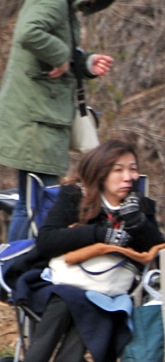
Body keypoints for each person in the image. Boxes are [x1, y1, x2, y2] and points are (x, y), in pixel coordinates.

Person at [9, 139, 165, 362]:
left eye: (132, 169)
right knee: (70, 299)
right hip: (57, 280)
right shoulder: (75, 196)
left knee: (95, 303)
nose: (128, 177)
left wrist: (139, 223)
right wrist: (97, 234)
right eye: (119, 170)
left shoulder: (139, 205)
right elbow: (47, 241)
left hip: (110, 289)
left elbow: (161, 254)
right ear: (100, 171)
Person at [0, 0, 116, 242]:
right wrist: (60, 55)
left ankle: (12, 269)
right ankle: (11, 270)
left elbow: (50, 50)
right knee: (39, 202)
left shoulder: (66, 5)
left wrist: (84, 62)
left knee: (33, 200)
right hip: (35, 117)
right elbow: (29, 32)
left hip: (41, 115)